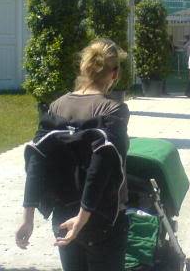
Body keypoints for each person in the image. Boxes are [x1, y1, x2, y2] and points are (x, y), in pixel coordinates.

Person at [15, 39, 130, 271]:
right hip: (101, 217)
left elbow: (37, 158)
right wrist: (83, 217)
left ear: (83, 69)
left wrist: (27, 217)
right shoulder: (113, 109)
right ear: (114, 74)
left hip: (63, 214)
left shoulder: (56, 107)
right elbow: (103, 162)